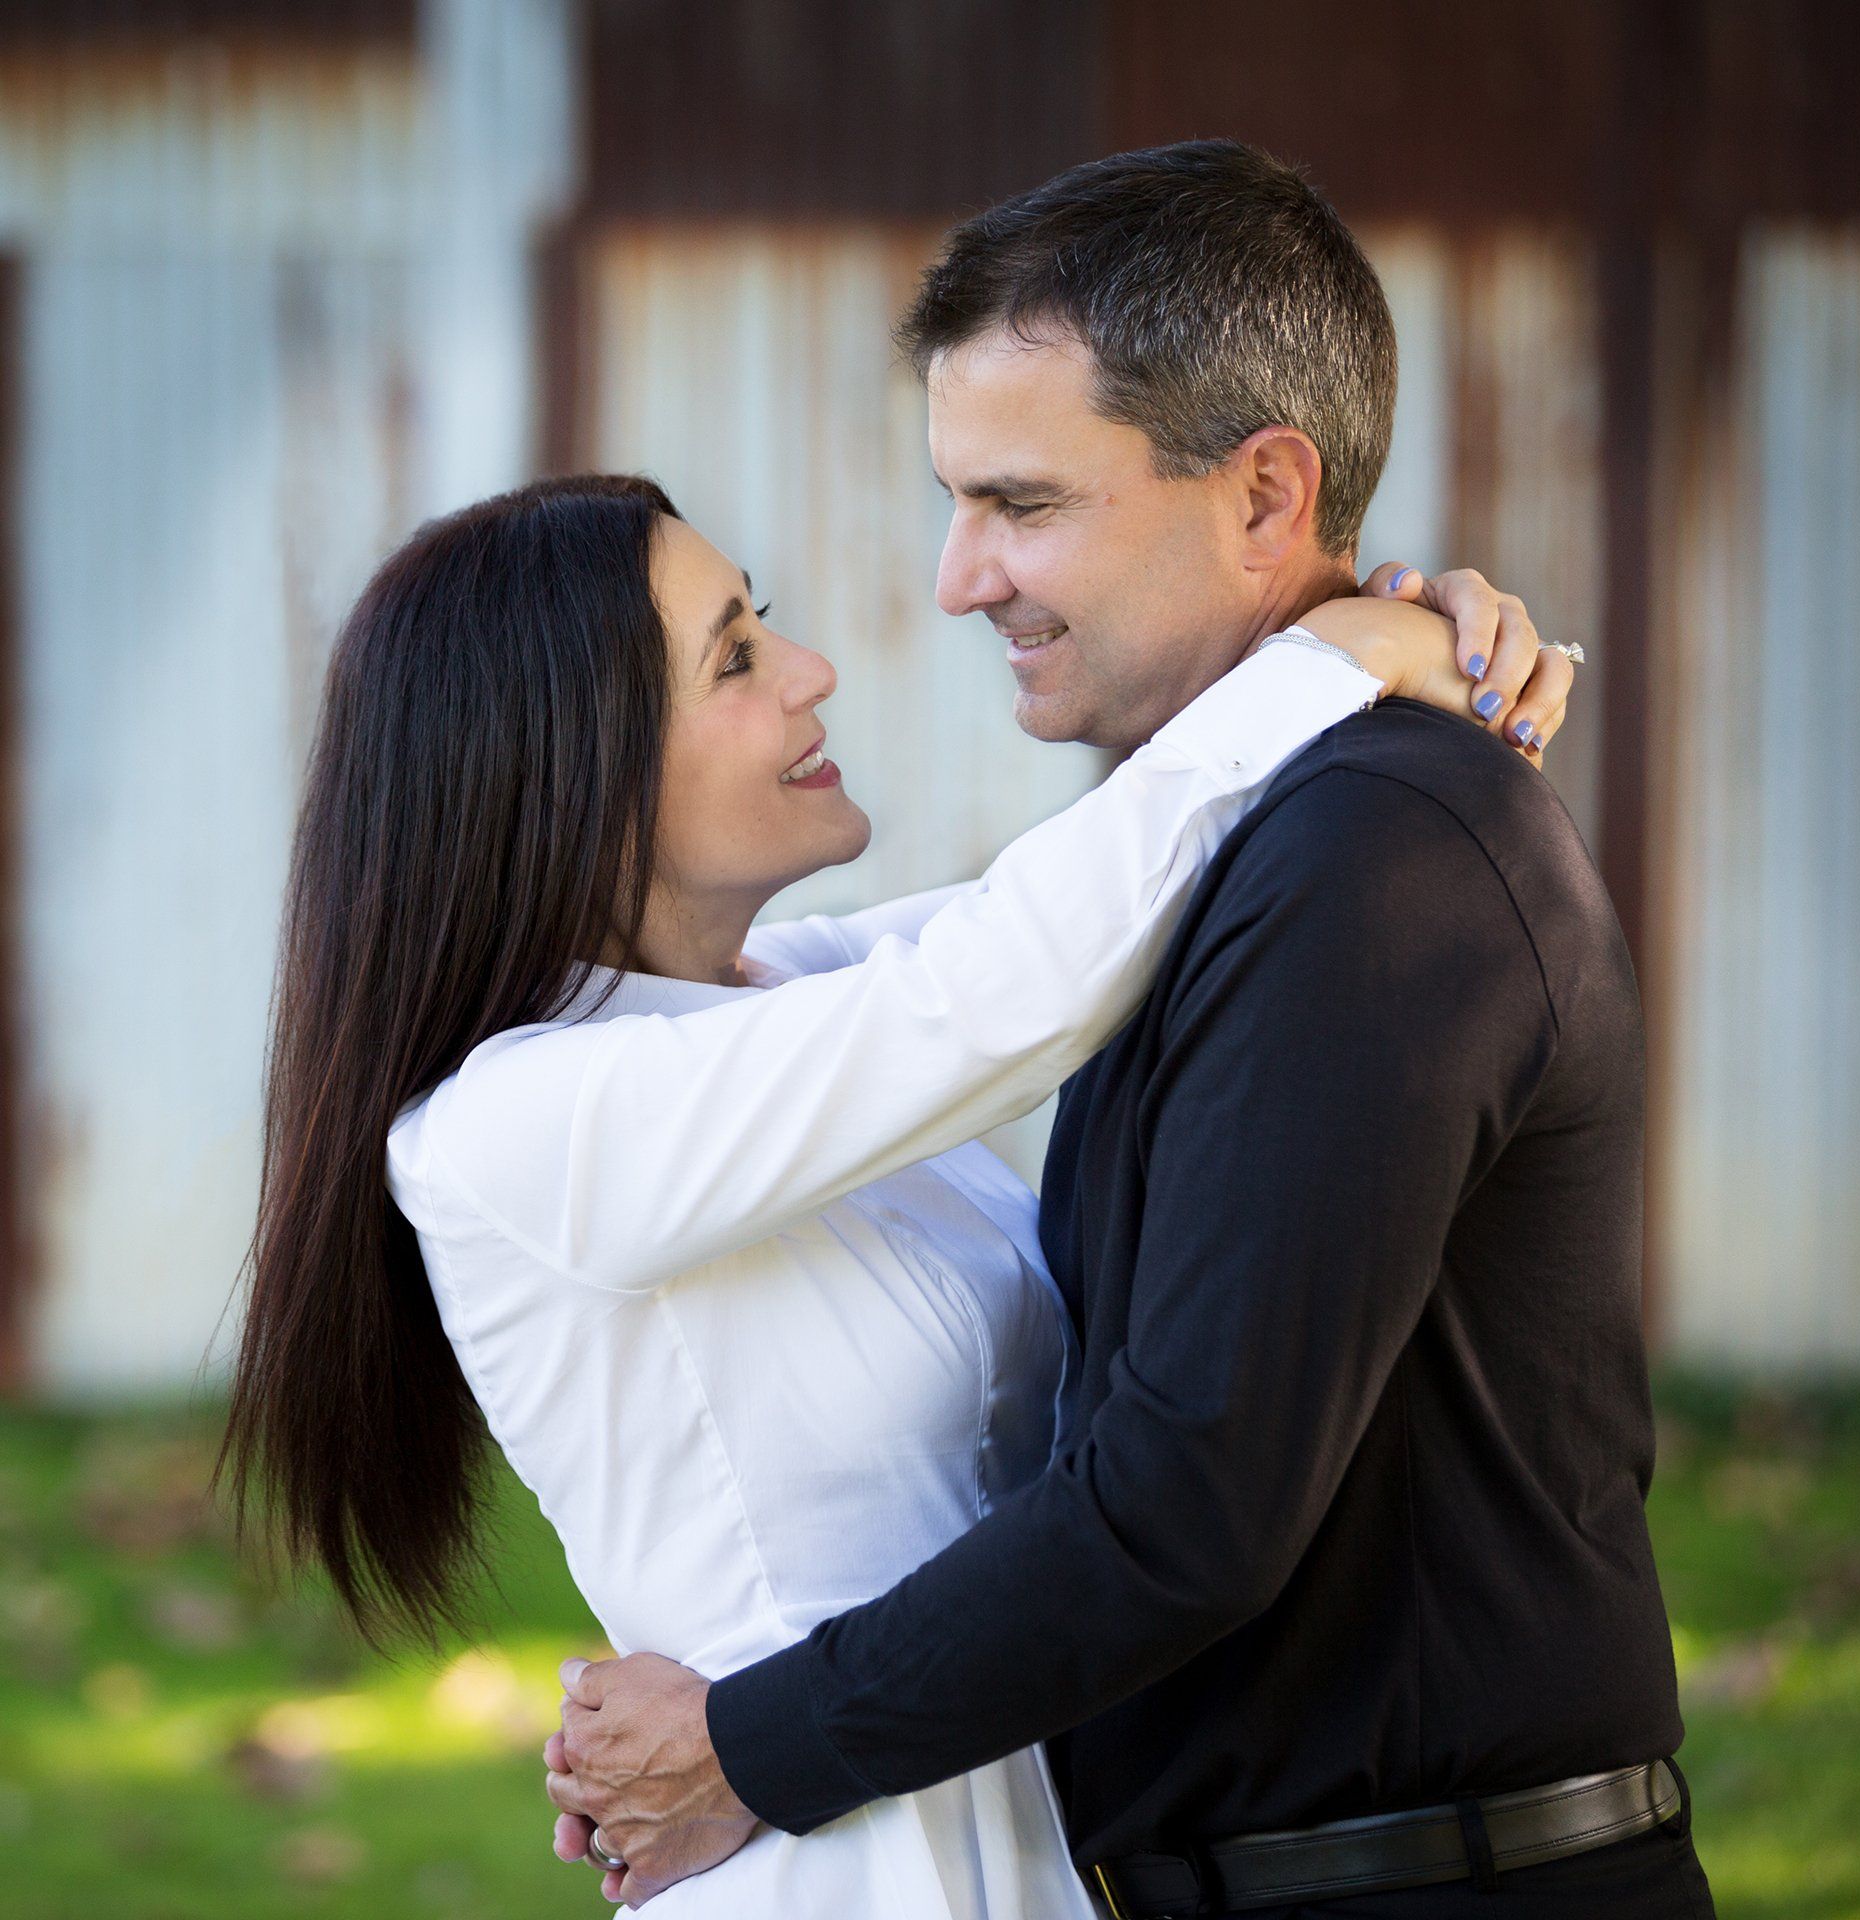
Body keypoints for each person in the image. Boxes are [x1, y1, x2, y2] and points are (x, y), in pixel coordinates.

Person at [546, 143, 1713, 1919]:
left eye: (1023, 503)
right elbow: (929, 977)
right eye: (955, 501)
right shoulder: (1214, 854)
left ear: (1265, 495)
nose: (957, 580)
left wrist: (751, 1750)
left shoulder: (1375, 860)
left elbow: (1186, 1503)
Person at [222, 458, 1558, 1920]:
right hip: (833, 1875)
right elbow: (1012, 984)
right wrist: (1334, 657)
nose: (811, 673)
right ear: (567, 764)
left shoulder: (774, 1002)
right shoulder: (517, 1126)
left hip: (990, 1831)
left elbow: (1113, 896)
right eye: (734, 656)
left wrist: (1406, 635)